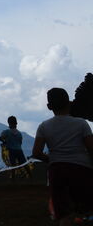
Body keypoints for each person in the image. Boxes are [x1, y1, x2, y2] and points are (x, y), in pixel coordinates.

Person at [32, 88, 93, 226]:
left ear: (49, 107)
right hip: (82, 169)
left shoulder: (44, 126)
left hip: (57, 170)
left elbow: (36, 152)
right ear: (70, 103)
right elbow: (91, 148)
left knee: (63, 214)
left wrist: (52, 159)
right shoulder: (81, 124)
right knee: (86, 210)